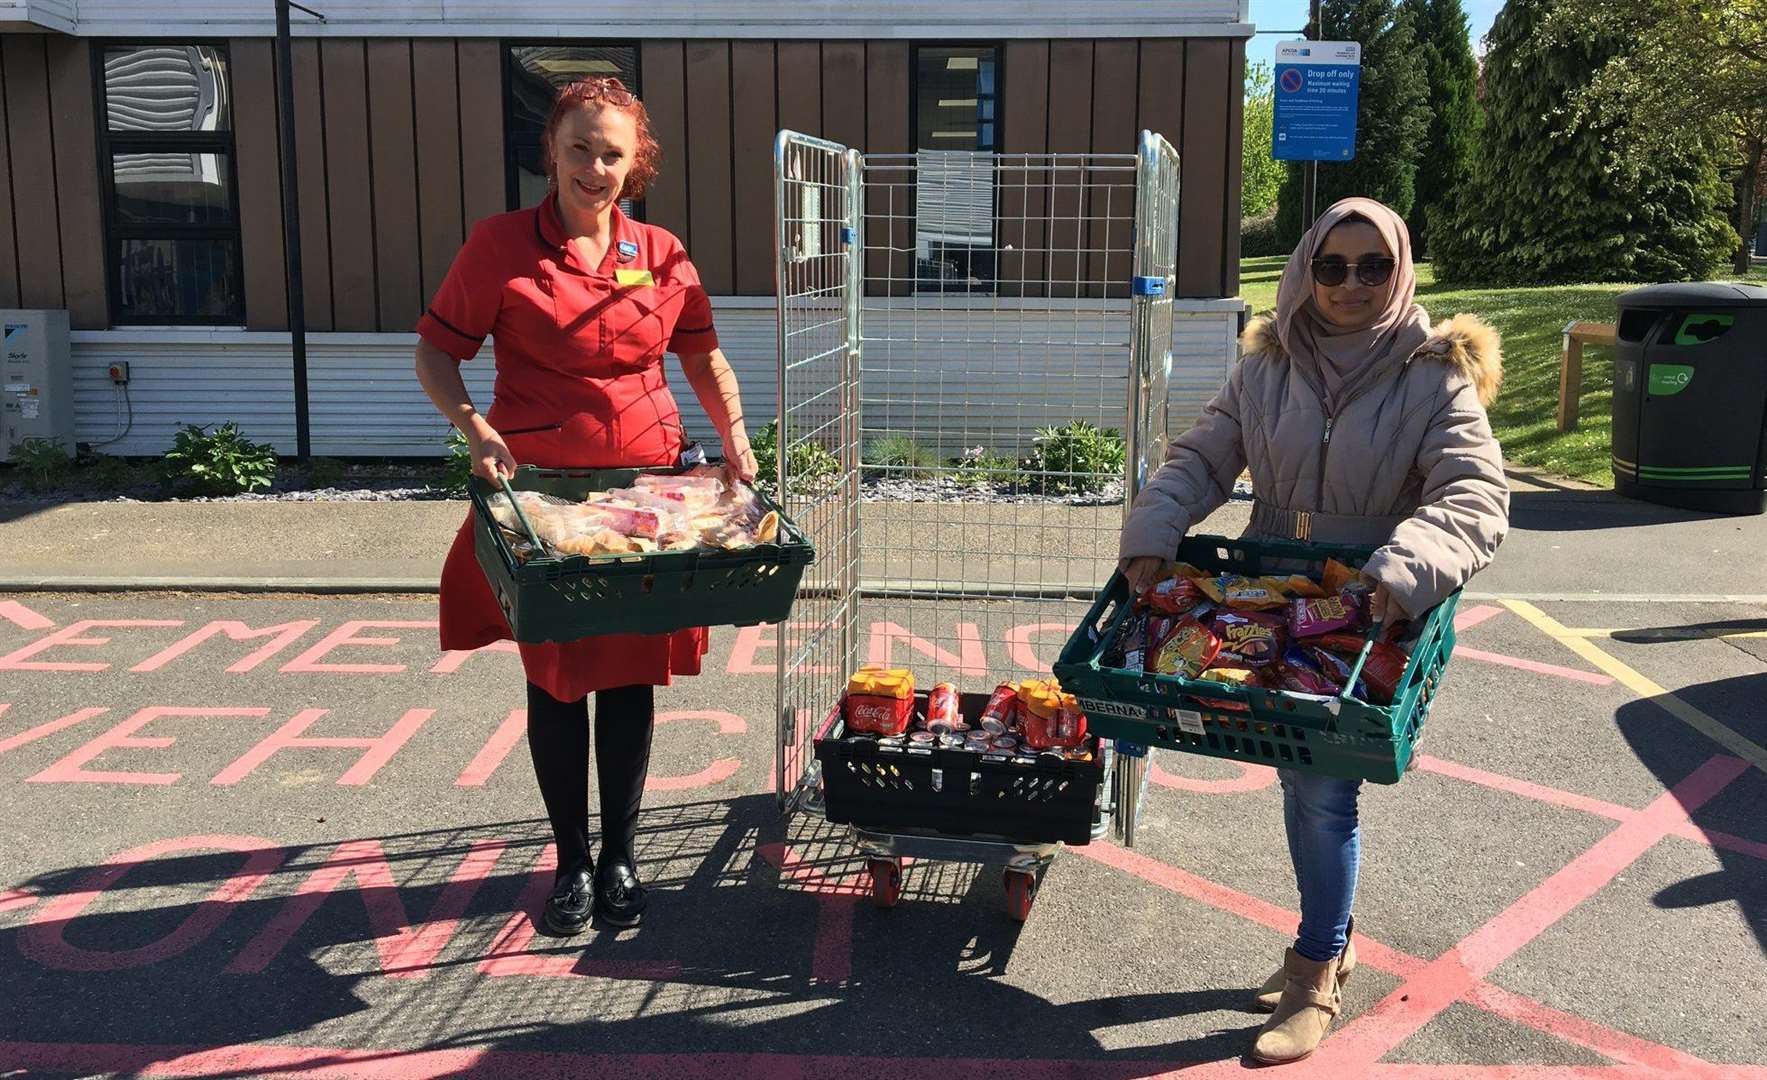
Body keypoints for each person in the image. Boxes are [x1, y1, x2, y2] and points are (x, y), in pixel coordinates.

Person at [1118, 197, 1509, 1065]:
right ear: (1305, 268)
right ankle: (1331, 934)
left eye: (1374, 267)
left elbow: (1474, 495)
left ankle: (1315, 970)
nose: (1350, 285)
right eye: (1332, 266)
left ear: (1399, 270)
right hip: (1274, 604)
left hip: (1366, 617)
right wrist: (1152, 535)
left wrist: (1397, 571)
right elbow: (1201, 458)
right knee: (1297, 782)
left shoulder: (1432, 373)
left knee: (1324, 794)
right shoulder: (1266, 364)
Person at [414, 76, 757, 936]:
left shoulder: (663, 251)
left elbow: (704, 357)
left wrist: (739, 438)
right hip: (545, 500)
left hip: (648, 497)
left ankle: (622, 857)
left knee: (632, 676)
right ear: (552, 152)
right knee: (560, 679)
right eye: (579, 148)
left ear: (635, 160)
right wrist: (473, 426)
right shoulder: (500, 247)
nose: (594, 168)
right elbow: (436, 351)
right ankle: (571, 861)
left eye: (612, 153)